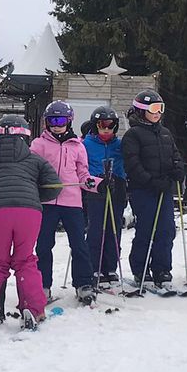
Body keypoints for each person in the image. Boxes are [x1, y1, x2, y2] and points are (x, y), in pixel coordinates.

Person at [0, 115, 61, 333]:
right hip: (29, 213)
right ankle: (33, 309)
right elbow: (55, 186)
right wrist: (34, 196)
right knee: (26, 260)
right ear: (25, 136)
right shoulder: (35, 159)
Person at [30, 100, 99, 304]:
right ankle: (43, 285)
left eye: (61, 120)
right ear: (46, 122)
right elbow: (33, 170)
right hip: (47, 202)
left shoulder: (78, 146)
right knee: (43, 245)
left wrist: (98, 184)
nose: (57, 124)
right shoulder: (39, 145)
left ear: (69, 121)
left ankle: (83, 283)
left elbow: (83, 174)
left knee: (79, 244)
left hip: (72, 202)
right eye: (53, 120)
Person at [121, 90, 185, 287]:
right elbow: (132, 164)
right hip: (143, 190)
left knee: (166, 230)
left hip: (163, 189)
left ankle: (162, 270)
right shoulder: (133, 135)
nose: (158, 113)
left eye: (160, 109)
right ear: (141, 111)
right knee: (146, 229)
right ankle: (141, 270)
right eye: (153, 109)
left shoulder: (165, 133)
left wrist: (178, 170)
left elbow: (175, 155)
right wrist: (150, 181)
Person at [82, 106, 126, 285]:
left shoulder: (119, 144)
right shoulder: (86, 144)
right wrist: (93, 180)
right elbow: (81, 166)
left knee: (114, 228)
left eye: (110, 125)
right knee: (96, 228)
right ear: (95, 125)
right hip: (96, 188)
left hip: (116, 187)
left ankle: (110, 267)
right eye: (102, 125)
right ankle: (94, 267)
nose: (106, 129)